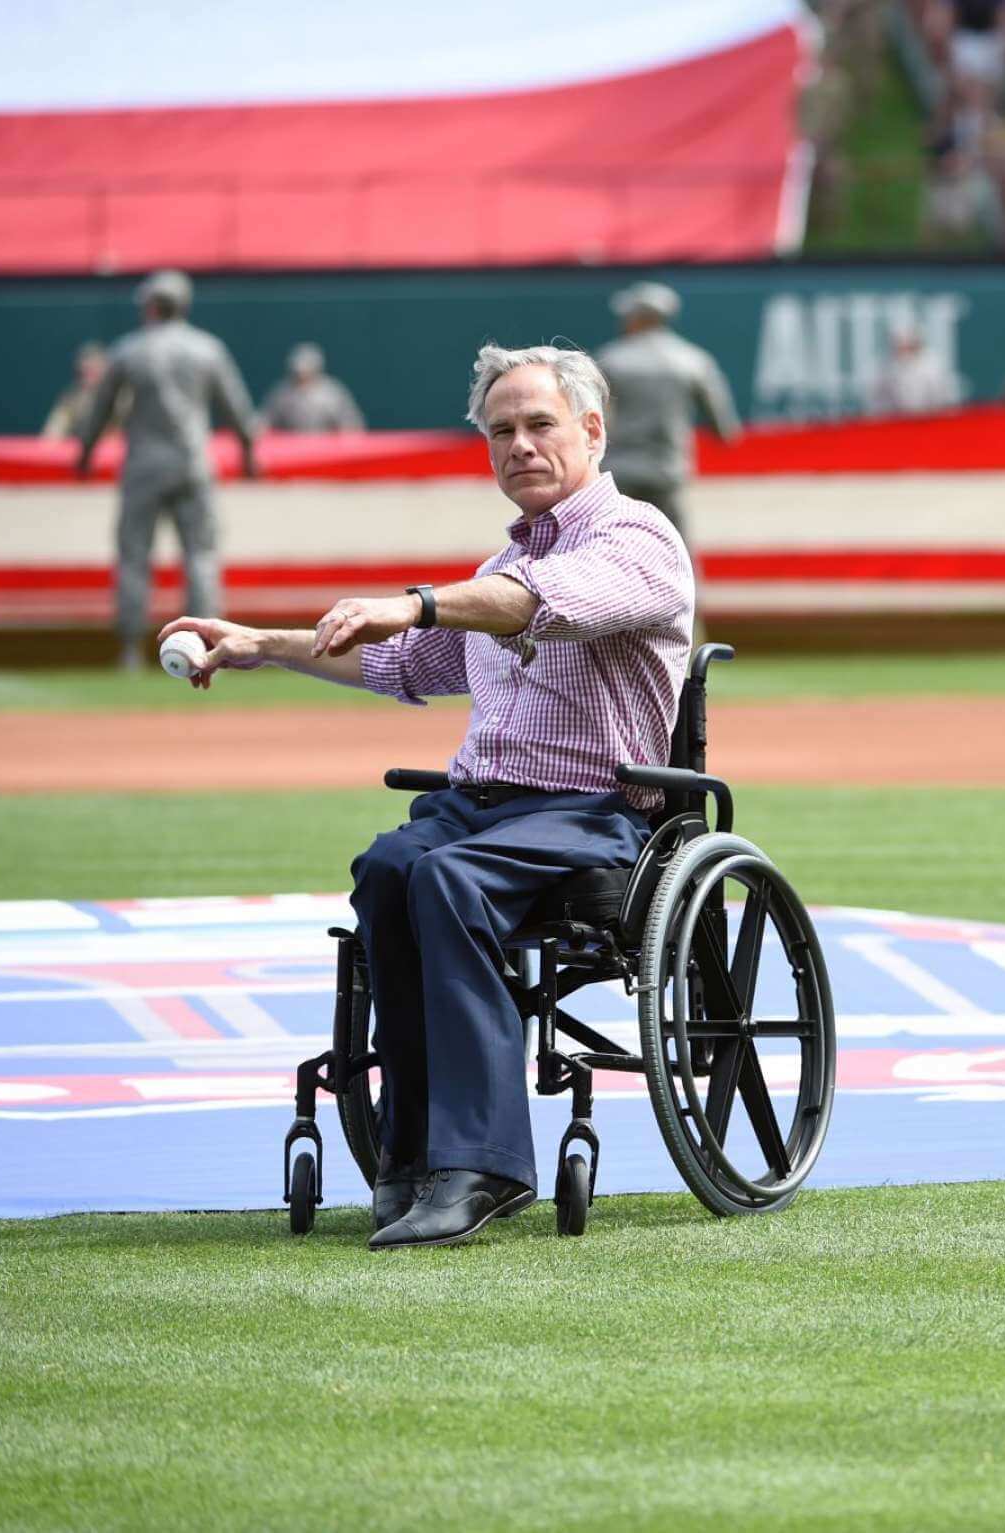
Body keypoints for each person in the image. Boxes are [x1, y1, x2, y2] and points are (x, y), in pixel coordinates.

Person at [157, 343, 694, 1250]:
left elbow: (538, 603)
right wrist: (261, 643)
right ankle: (408, 1155)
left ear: (592, 431)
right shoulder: (495, 568)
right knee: (392, 866)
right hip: (480, 807)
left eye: (539, 425)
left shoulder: (637, 539)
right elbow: (400, 660)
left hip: (594, 812)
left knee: (448, 879)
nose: (519, 445)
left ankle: (483, 1166)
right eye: (501, 432)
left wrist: (414, 600)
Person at [74, 270, 259, 671]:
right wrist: (248, 454)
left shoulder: (128, 350)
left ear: (151, 306)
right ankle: (210, 650)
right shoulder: (207, 349)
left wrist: (85, 454)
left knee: (134, 557)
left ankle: (129, 651)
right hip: (192, 463)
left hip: (142, 467)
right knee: (202, 556)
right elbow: (237, 409)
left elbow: (100, 409)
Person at [594, 281, 741, 590]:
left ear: (637, 317)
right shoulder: (693, 361)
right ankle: (688, 626)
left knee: (608, 551)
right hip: (667, 471)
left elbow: (593, 424)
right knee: (678, 553)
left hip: (617, 474)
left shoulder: (611, 360)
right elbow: (725, 429)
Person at [261, 344, 365, 433]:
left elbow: (351, 424)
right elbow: (264, 421)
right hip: (291, 449)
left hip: (325, 450)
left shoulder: (332, 393)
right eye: (297, 373)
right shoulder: (282, 393)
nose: (302, 376)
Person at [40, 341, 118, 441]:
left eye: (93, 371)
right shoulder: (71, 399)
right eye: (84, 372)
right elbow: (53, 432)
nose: (87, 375)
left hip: (117, 453)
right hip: (83, 451)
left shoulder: (120, 396)